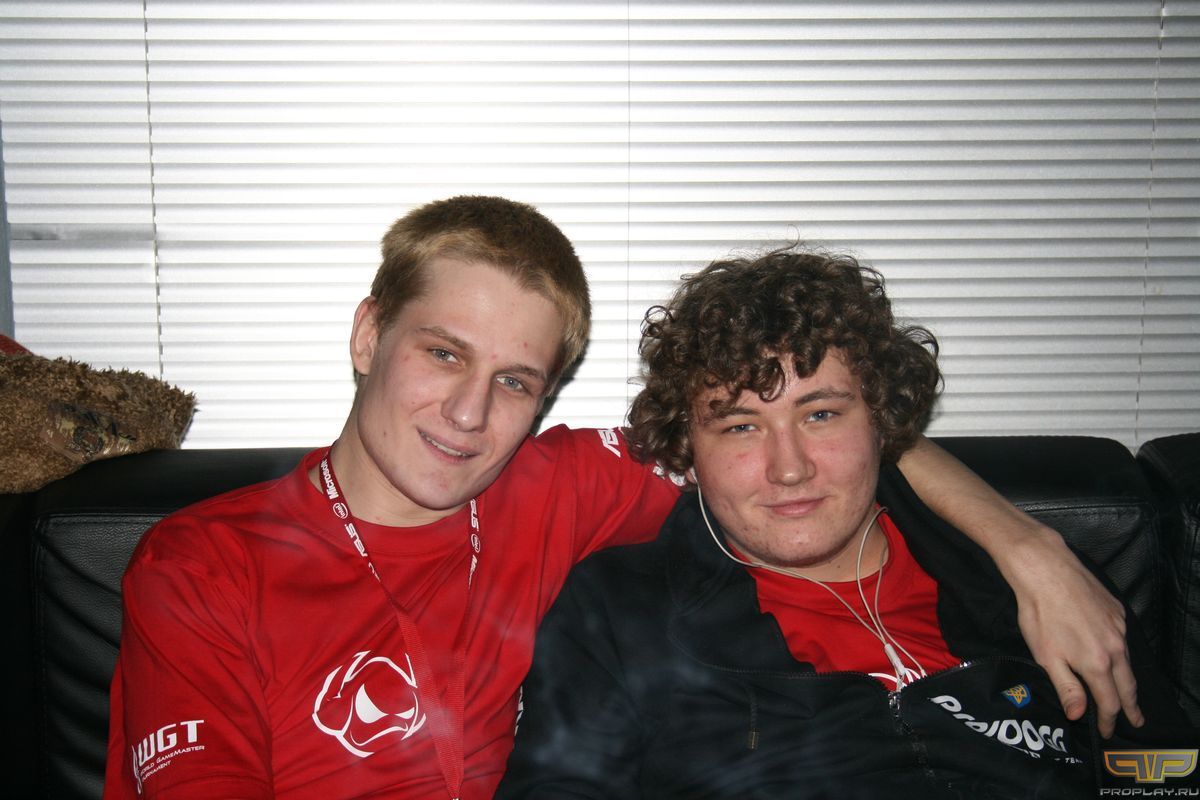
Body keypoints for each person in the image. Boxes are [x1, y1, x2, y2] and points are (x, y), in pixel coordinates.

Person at [105, 198, 1141, 800]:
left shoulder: (560, 483)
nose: (469, 413)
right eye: (443, 353)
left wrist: (1027, 546)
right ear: (369, 334)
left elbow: (803, 431)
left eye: (516, 380)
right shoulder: (204, 565)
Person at [496, 246, 1199, 799]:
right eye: (741, 427)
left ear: (883, 421)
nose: (789, 468)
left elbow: (1164, 771)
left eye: (822, 414)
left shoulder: (1039, 590)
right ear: (689, 450)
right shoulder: (618, 615)